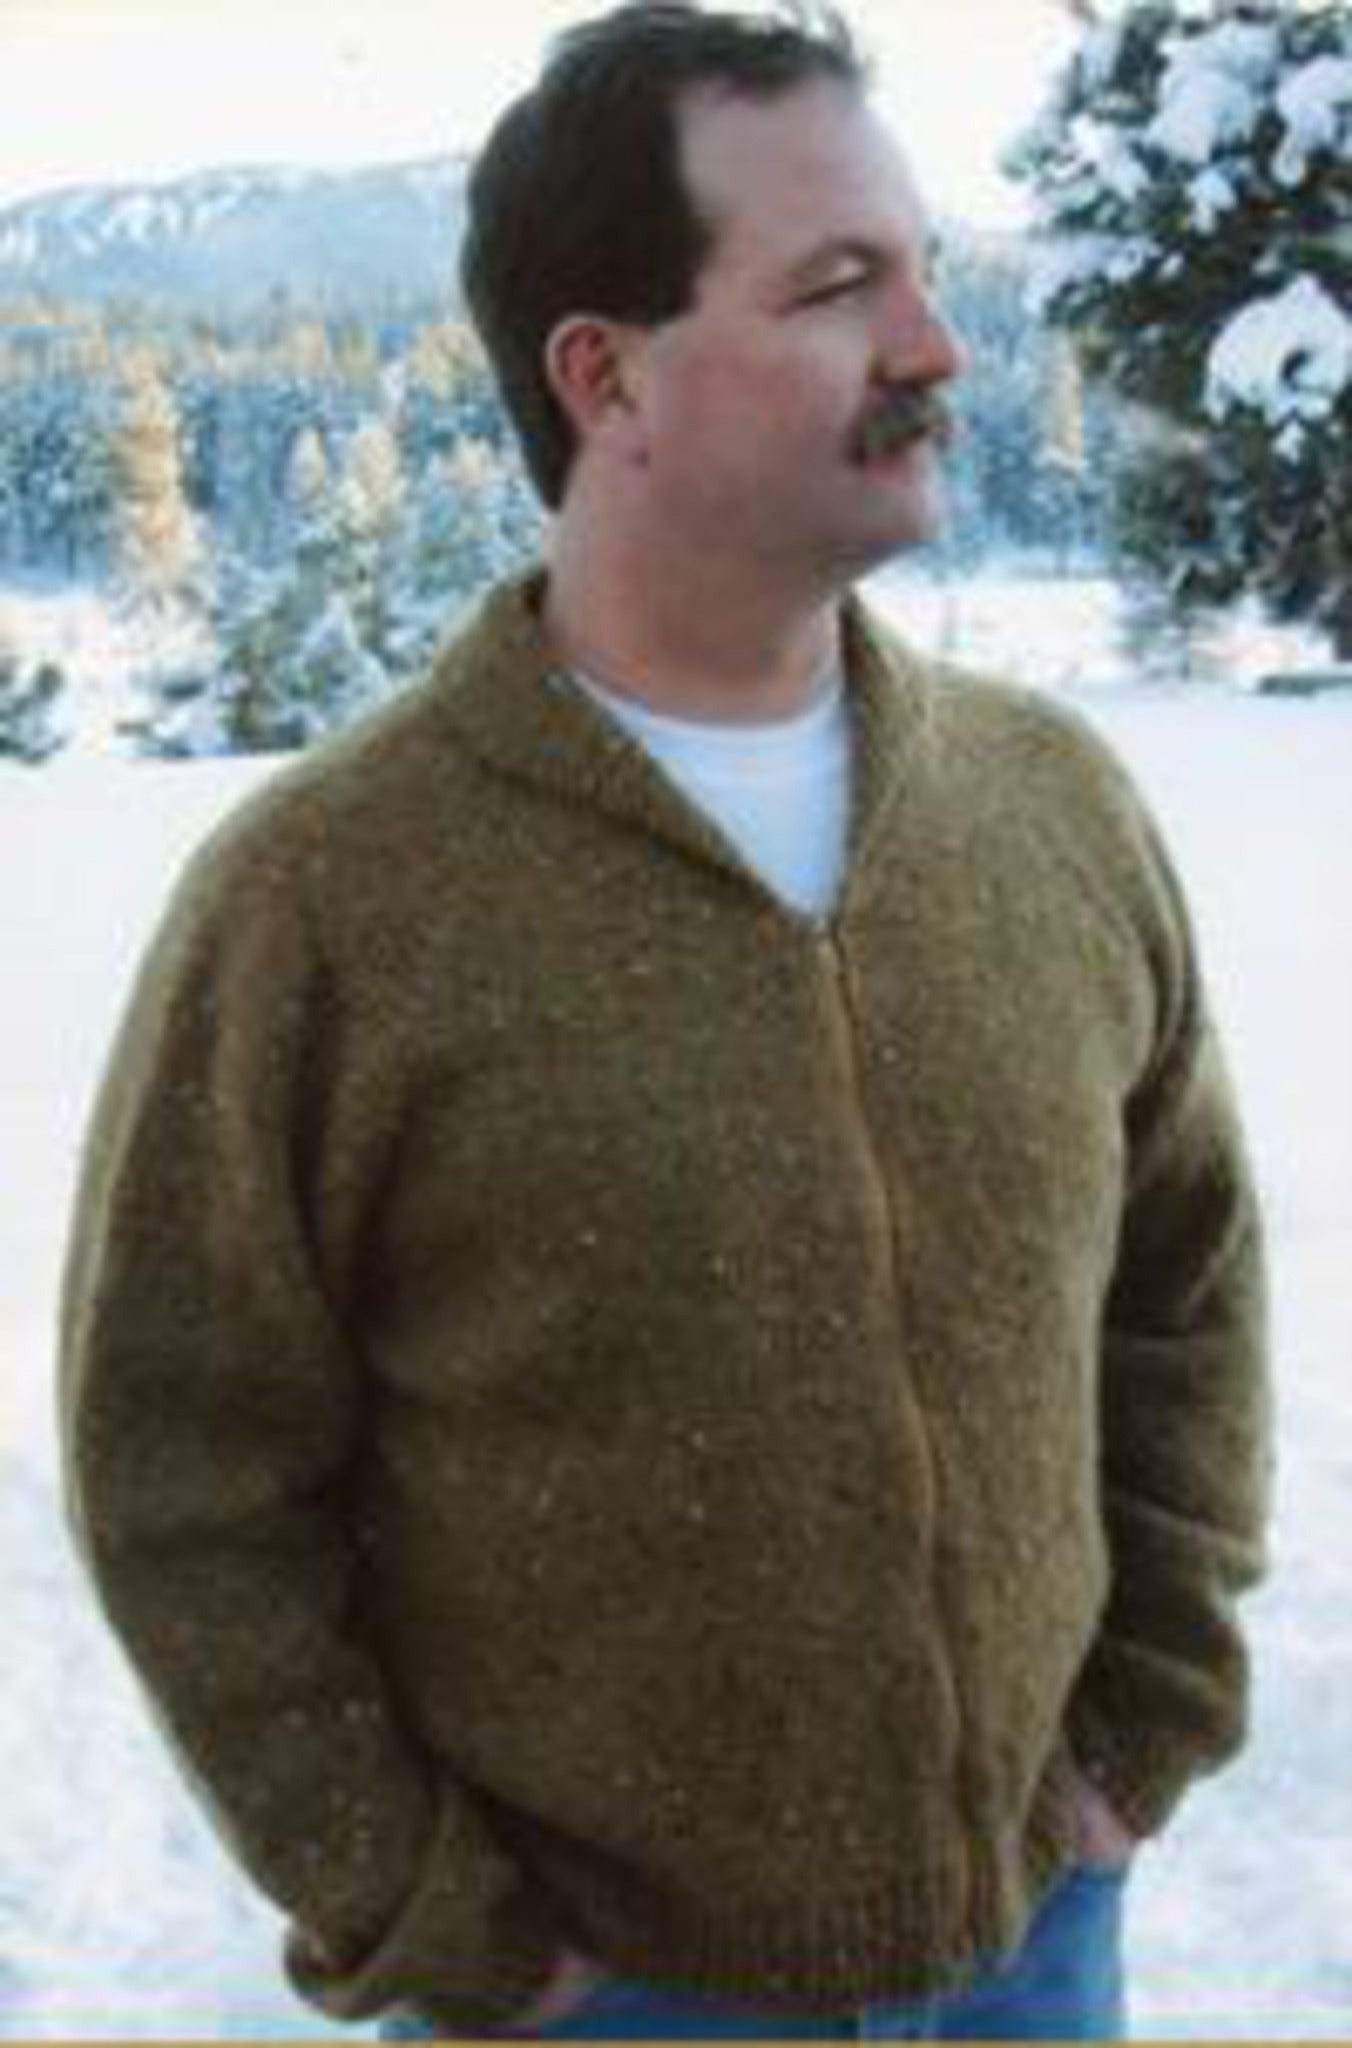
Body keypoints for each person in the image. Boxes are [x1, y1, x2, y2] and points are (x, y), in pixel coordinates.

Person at [60, 4, 1272, 2041]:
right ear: (603, 373)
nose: (934, 345)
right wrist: (438, 1918)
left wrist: (1135, 1733)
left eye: (924, 271)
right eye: (835, 286)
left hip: (1041, 1950)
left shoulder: (1055, 811)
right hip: (612, 2002)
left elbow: (1185, 1288)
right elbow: (184, 1472)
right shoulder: (327, 900)